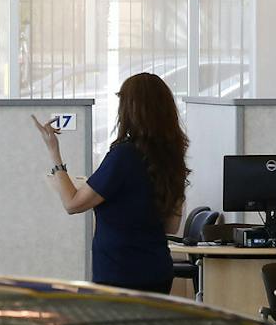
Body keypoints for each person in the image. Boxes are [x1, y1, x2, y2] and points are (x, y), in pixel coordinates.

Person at [33, 71, 189, 294]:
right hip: (158, 271)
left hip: (120, 272)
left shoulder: (124, 156)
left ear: (130, 111)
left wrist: (54, 153)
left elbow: (73, 203)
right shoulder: (172, 158)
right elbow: (171, 226)